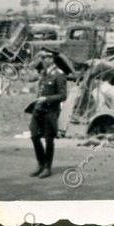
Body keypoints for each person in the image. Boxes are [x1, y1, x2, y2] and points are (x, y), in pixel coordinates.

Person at [29, 49, 67, 178]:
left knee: (49, 139)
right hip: (38, 109)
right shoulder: (43, 73)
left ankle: (47, 167)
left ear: (52, 59)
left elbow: (63, 96)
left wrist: (46, 99)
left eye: (48, 58)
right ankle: (40, 163)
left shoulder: (59, 74)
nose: (45, 60)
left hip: (51, 110)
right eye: (43, 58)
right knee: (34, 136)